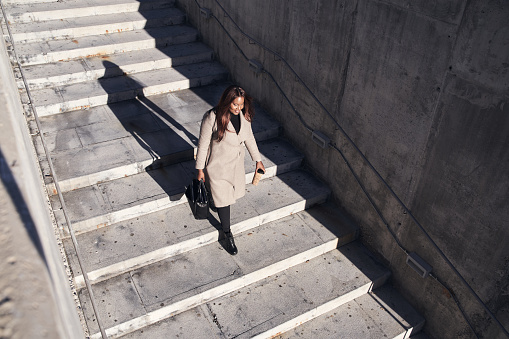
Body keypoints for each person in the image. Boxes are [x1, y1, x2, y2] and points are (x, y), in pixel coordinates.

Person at [195, 85, 265, 255]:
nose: (238, 108)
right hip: (217, 168)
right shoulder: (212, 117)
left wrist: (258, 161)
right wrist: (199, 169)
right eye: (235, 105)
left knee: (228, 197)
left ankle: (214, 198)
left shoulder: (244, 117)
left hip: (235, 167)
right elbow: (203, 145)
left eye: (241, 105)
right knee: (225, 202)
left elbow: (249, 138)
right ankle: (227, 233)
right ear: (227, 101)